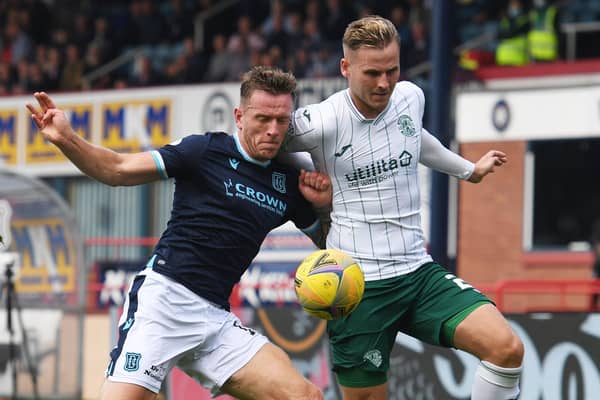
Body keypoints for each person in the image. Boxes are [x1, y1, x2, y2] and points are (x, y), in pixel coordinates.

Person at [26, 66, 331, 400]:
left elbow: (328, 244)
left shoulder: (289, 182)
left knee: (306, 396)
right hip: (164, 302)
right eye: (263, 119)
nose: (273, 130)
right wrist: (67, 139)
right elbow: (117, 169)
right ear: (239, 116)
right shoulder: (203, 152)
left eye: (282, 121)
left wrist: (323, 205)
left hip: (216, 319)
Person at [284, 15, 524, 400]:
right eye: (373, 73)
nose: (384, 83)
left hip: (418, 273)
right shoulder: (320, 122)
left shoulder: (411, 96)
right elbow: (263, 143)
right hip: (357, 287)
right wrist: (307, 172)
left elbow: (417, 140)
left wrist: (469, 171)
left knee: (506, 349)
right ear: (346, 68)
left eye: (392, 70)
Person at [496, 0, 530, 66]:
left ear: (521, 5)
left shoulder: (525, 19)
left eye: (516, 3)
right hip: (503, 59)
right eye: (512, 4)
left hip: (519, 59)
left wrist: (507, 33)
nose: (514, 6)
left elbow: (513, 31)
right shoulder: (504, 20)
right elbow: (499, 35)